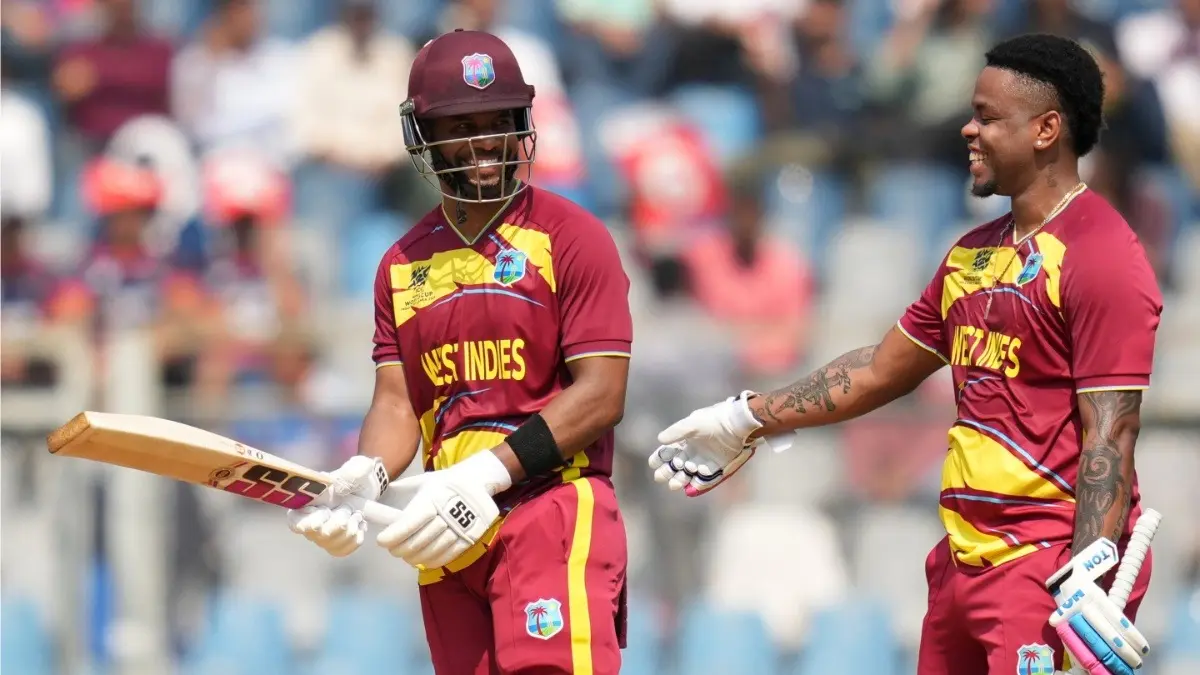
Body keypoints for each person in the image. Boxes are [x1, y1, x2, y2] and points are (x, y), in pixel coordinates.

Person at [649, 33, 1163, 675]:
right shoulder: (971, 253)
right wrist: (746, 418)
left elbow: (1110, 431)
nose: (969, 130)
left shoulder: (1102, 256)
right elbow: (879, 368)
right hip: (959, 564)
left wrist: (1088, 569)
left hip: (1046, 573)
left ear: (1046, 129)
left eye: (987, 116)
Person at [286, 29, 634, 675]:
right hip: (444, 530)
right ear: (424, 136)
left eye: (497, 121)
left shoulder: (573, 237)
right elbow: (395, 402)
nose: (482, 143)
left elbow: (602, 394)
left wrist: (486, 474)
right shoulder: (400, 265)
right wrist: (365, 476)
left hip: (548, 505)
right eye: (459, 124)